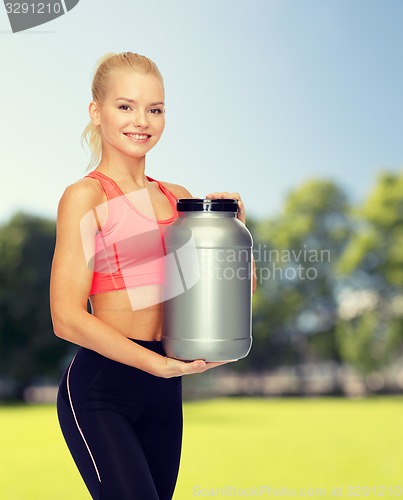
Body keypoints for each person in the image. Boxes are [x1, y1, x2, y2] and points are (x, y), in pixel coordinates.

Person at [50, 51, 255, 500]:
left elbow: (231, 296)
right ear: (96, 112)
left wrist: (234, 227)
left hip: (164, 390)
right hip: (103, 387)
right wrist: (157, 364)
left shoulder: (178, 200)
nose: (142, 120)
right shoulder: (85, 197)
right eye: (125, 106)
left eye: (155, 109)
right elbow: (65, 317)